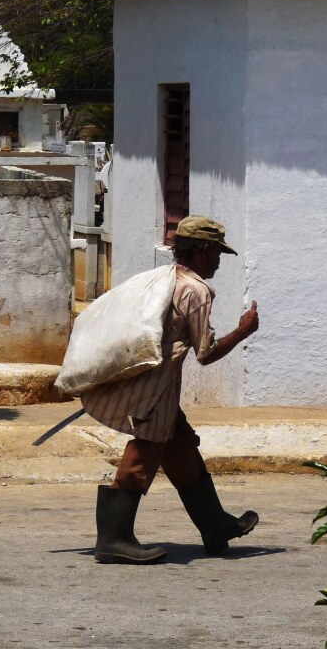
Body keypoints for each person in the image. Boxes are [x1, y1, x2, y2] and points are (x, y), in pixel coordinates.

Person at [81, 215, 260, 564]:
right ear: (204, 250)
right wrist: (242, 332)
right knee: (143, 454)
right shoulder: (195, 290)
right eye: (217, 254)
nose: (219, 262)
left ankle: (215, 525)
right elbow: (205, 353)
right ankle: (113, 538)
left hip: (150, 384)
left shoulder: (164, 279)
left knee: (180, 449)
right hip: (155, 389)